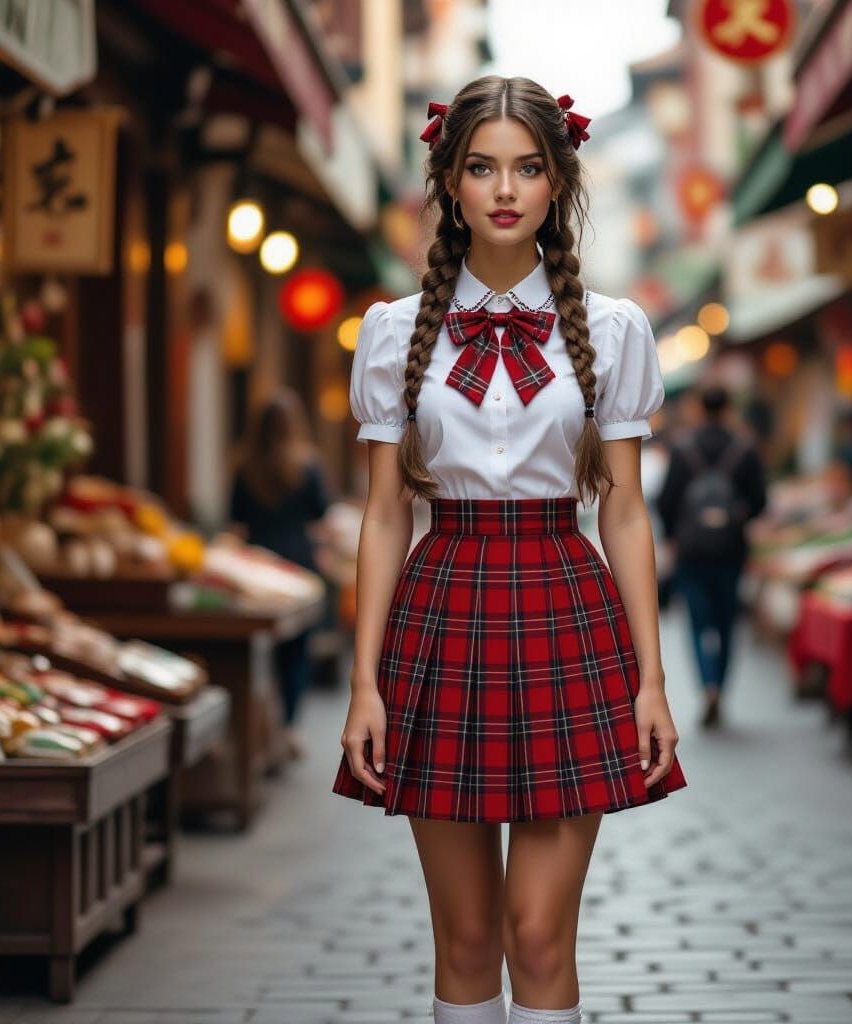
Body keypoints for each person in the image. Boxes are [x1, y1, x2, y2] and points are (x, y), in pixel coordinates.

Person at [331, 76, 687, 1024]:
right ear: (448, 183)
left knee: (538, 934)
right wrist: (364, 685)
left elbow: (625, 515)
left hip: (566, 609)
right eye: (480, 166)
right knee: (464, 939)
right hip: (440, 608)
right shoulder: (391, 334)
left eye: (528, 168)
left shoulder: (612, 330)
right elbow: (381, 518)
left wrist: (652, 680)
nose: (503, 188)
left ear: (556, 182)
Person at [655, 385, 767, 729]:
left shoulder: (683, 449)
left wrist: (675, 536)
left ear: (699, 408)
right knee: (726, 623)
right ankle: (721, 685)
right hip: (730, 551)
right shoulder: (744, 449)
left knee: (698, 623)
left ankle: (708, 686)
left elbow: (665, 501)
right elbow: (761, 502)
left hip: (692, 552)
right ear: (728, 407)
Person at [228, 387, 330, 757]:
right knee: (297, 651)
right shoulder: (306, 464)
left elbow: (235, 519)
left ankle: (261, 727)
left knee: (260, 652)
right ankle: (288, 726)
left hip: (257, 566)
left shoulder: (244, 466)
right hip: (298, 565)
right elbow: (321, 514)